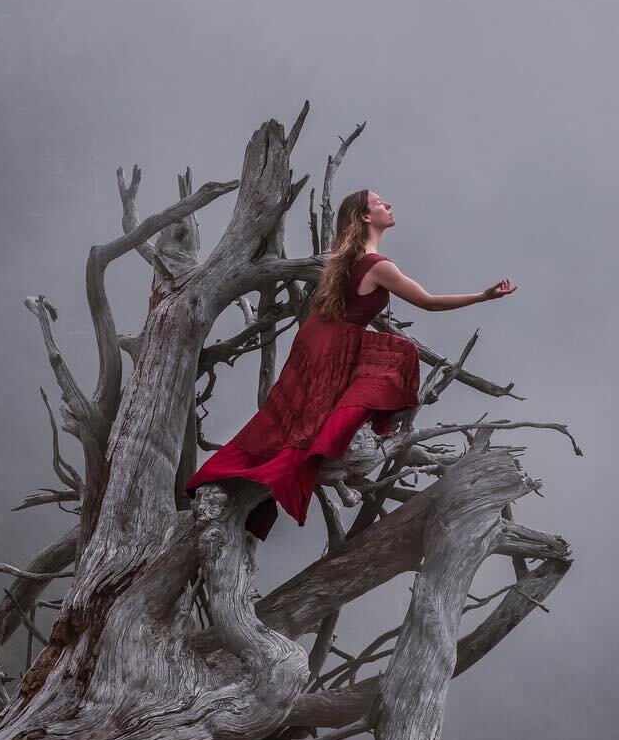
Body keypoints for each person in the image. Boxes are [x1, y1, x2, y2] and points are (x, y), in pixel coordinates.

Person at [184, 188, 518, 539]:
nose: (388, 205)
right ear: (364, 217)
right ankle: (290, 461)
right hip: (333, 345)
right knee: (395, 359)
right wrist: (483, 296)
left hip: (315, 339)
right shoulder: (378, 266)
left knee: (287, 421)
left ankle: (235, 475)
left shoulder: (347, 260)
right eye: (379, 203)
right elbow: (429, 302)